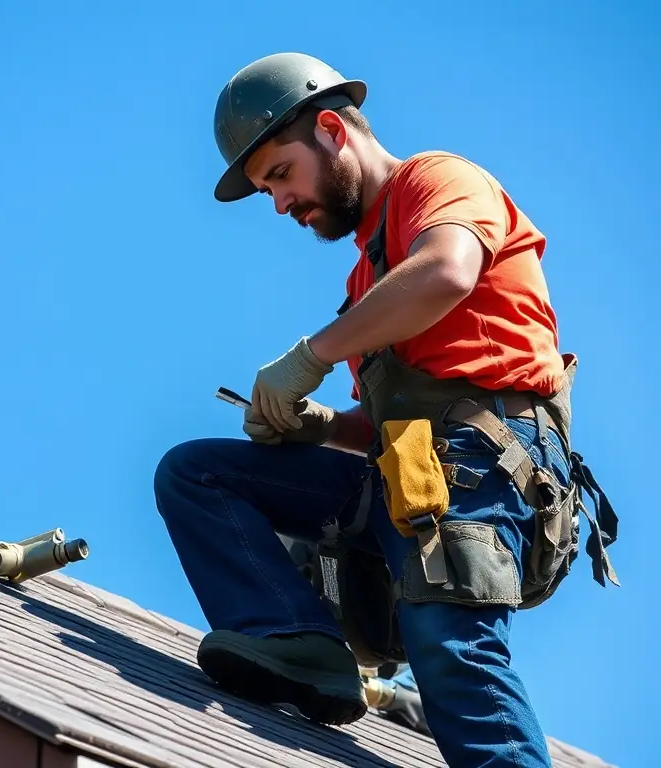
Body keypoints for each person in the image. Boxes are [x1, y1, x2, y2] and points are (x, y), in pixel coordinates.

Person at [153, 52, 619, 767]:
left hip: (486, 468)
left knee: (451, 653)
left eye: (280, 175)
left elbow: (448, 271)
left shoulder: (438, 182)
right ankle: (299, 645)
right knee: (197, 475)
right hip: (409, 472)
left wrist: (311, 356)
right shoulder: (367, 277)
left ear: (334, 130)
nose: (279, 204)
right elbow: (388, 429)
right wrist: (325, 427)